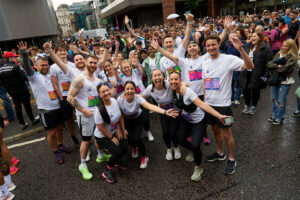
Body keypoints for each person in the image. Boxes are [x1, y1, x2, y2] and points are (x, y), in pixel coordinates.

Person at [201, 34, 254, 174]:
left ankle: (231, 158)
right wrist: (205, 101)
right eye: (208, 45)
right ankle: (220, 153)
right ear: (205, 47)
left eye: (214, 44)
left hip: (225, 107)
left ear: (219, 45)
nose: (211, 47)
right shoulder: (205, 62)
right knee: (215, 131)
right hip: (210, 106)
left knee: (227, 134)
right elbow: (205, 84)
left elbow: (250, 65)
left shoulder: (228, 59)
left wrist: (241, 50)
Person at [169, 71, 229, 181]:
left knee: (196, 145)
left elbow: (201, 104)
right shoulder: (171, 90)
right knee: (180, 139)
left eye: (176, 79)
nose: (173, 82)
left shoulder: (187, 91)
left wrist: (219, 115)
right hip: (186, 119)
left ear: (180, 80)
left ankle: (198, 167)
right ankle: (193, 152)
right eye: (171, 79)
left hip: (199, 120)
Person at [18, 41, 69, 164]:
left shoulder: (50, 74)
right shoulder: (33, 76)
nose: (45, 67)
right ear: (36, 66)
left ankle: (60, 145)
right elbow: (26, 66)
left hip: (57, 107)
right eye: (42, 65)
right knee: (51, 133)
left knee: (60, 129)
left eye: (46, 65)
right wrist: (24, 54)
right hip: (46, 111)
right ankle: (55, 151)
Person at [117, 81, 178, 169]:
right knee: (129, 139)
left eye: (132, 89)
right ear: (124, 90)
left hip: (137, 118)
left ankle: (144, 156)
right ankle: (134, 147)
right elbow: (120, 115)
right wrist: (122, 129)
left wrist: (164, 112)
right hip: (126, 120)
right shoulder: (120, 100)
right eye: (127, 89)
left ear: (135, 90)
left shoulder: (138, 98)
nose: (130, 91)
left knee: (137, 138)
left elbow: (149, 106)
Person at [142, 69, 183, 160]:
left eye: (159, 75)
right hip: (162, 111)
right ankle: (169, 148)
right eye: (154, 76)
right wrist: (125, 96)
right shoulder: (149, 88)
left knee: (173, 132)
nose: (157, 77)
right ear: (151, 78)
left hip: (173, 110)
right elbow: (140, 98)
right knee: (165, 133)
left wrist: (183, 85)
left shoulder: (169, 84)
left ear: (163, 76)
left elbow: (181, 83)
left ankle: (176, 148)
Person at [94, 82, 128, 183]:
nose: (106, 93)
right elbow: (100, 128)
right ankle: (107, 171)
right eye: (103, 92)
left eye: (107, 90)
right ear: (99, 95)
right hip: (102, 136)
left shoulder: (114, 100)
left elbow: (119, 115)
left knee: (125, 146)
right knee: (117, 151)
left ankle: (116, 161)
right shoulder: (99, 110)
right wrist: (110, 137)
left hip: (114, 131)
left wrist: (120, 129)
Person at [114, 59, 154, 141]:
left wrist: (137, 65)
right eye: (124, 68)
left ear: (130, 67)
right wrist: (115, 69)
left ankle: (148, 132)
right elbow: (117, 78)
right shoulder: (122, 77)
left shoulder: (136, 72)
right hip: (131, 100)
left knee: (146, 117)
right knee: (137, 118)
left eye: (128, 67)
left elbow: (139, 71)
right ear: (122, 69)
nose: (126, 69)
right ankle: (137, 134)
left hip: (142, 98)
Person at [49, 44, 80, 147]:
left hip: (76, 95)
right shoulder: (53, 67)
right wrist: (61, 98)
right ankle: (72, 136)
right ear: (56, 53)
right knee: (69, 119)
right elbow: (55, 84)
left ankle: (85, 135)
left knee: (80, 116)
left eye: (64, 50)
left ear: (67, 52)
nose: (62, 52)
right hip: (65, 96)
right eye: (59, 51)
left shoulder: (72, 64)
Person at [0, 52, 39, 130]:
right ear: (10, 58)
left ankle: (22, 124)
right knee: (27, 105)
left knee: (17, 107)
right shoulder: (16, 66)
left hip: (12, 91)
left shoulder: (0, 69)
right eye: (14, 57)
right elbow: (25, 77)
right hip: (22, 89)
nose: (16, 58)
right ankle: (32, 120)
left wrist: (10, 90)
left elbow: (2, 82)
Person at [239, 31, 273, 115]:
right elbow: (241, 58)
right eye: (251, 36)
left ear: (260, 37)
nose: (252, 38)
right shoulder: (247, 47)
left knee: (255, 91)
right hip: (246, 72)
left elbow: (269, 63)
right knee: (245, 90)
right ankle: (247, 105)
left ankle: (253, 106)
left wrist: (266, 75)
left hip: (258, 73)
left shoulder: (266, 48)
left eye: (254, 36)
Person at [266, 39, 298, 124]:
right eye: (283, 45)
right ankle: (275, 114)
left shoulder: (292, 57)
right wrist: (277, 66)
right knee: (273, 99)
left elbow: (285, 69)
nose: (283, 47)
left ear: (291, 47)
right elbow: (268, 64)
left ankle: (279, 118)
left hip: (285, 81)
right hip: (274, 79)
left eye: (286, 46)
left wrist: (274, 67)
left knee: (280, 100)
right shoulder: (278, 54)